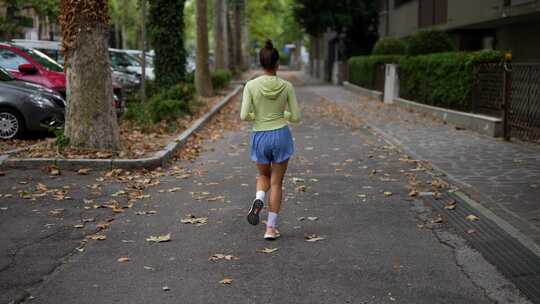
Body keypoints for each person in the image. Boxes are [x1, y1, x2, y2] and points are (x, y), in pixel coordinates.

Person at [240, 39, 301, 240]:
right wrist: (282, 115)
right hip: (281, 136)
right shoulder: (287, 86)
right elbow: (296, 116)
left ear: (261, 63)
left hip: (260, 136)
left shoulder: (251, 85)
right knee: (276, 183)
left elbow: (243, 115)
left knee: (263, 177)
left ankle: (258, 198)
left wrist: (257, 116)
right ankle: (270, 229)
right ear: (277, 65)